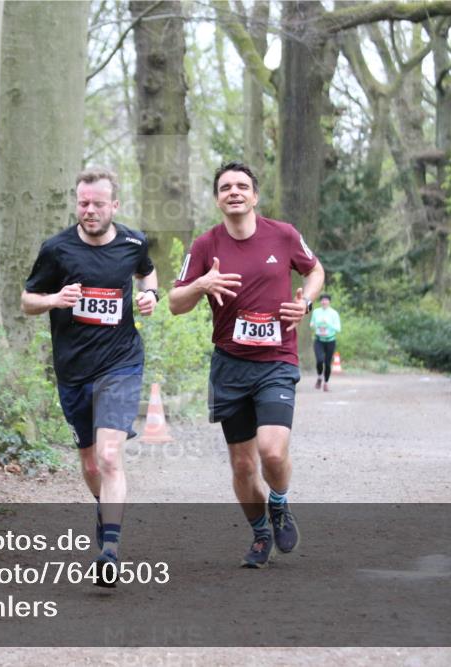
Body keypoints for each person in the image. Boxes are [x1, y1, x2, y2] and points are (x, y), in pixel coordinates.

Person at [168, 161, 324, 568]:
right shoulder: (205, 246)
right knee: (242, 463)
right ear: (218, 199)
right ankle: (259, 535)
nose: (233, 192)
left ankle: (280, 502)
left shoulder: (284, 235)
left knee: (272, 453)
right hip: (230, 365)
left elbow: (315, 269)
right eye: (225, 187)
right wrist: (201, 284)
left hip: (276, 361)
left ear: (255, 196)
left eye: (241, 186)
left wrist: (305, 302)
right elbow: (174, 303)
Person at [21, 167, 158, 586]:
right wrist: (54, 299)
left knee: (110, 455)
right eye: (83, 203)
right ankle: (104, 509)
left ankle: (111, 550)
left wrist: (150, 293)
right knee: (90, 462)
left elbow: (146, 271)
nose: (90, 210)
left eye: (99, 203)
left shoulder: (133, 242)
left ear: (114, 205)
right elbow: (27, 301)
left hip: (121, 363)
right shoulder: (57, 250)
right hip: (73, 370)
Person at [310, 294, 341, 391]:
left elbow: (338, 329)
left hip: (330, 341)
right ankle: (320, 377)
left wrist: (328, 324)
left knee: (327, 363)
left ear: (329, 302)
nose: (324, 302)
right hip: (319, 340)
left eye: (326, 300)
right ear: (320, 302)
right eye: (322, 300)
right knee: (319, 360)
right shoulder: (316, 312)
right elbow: (312, 324)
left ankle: (326, 383)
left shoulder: (334, 313)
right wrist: (317, 324)